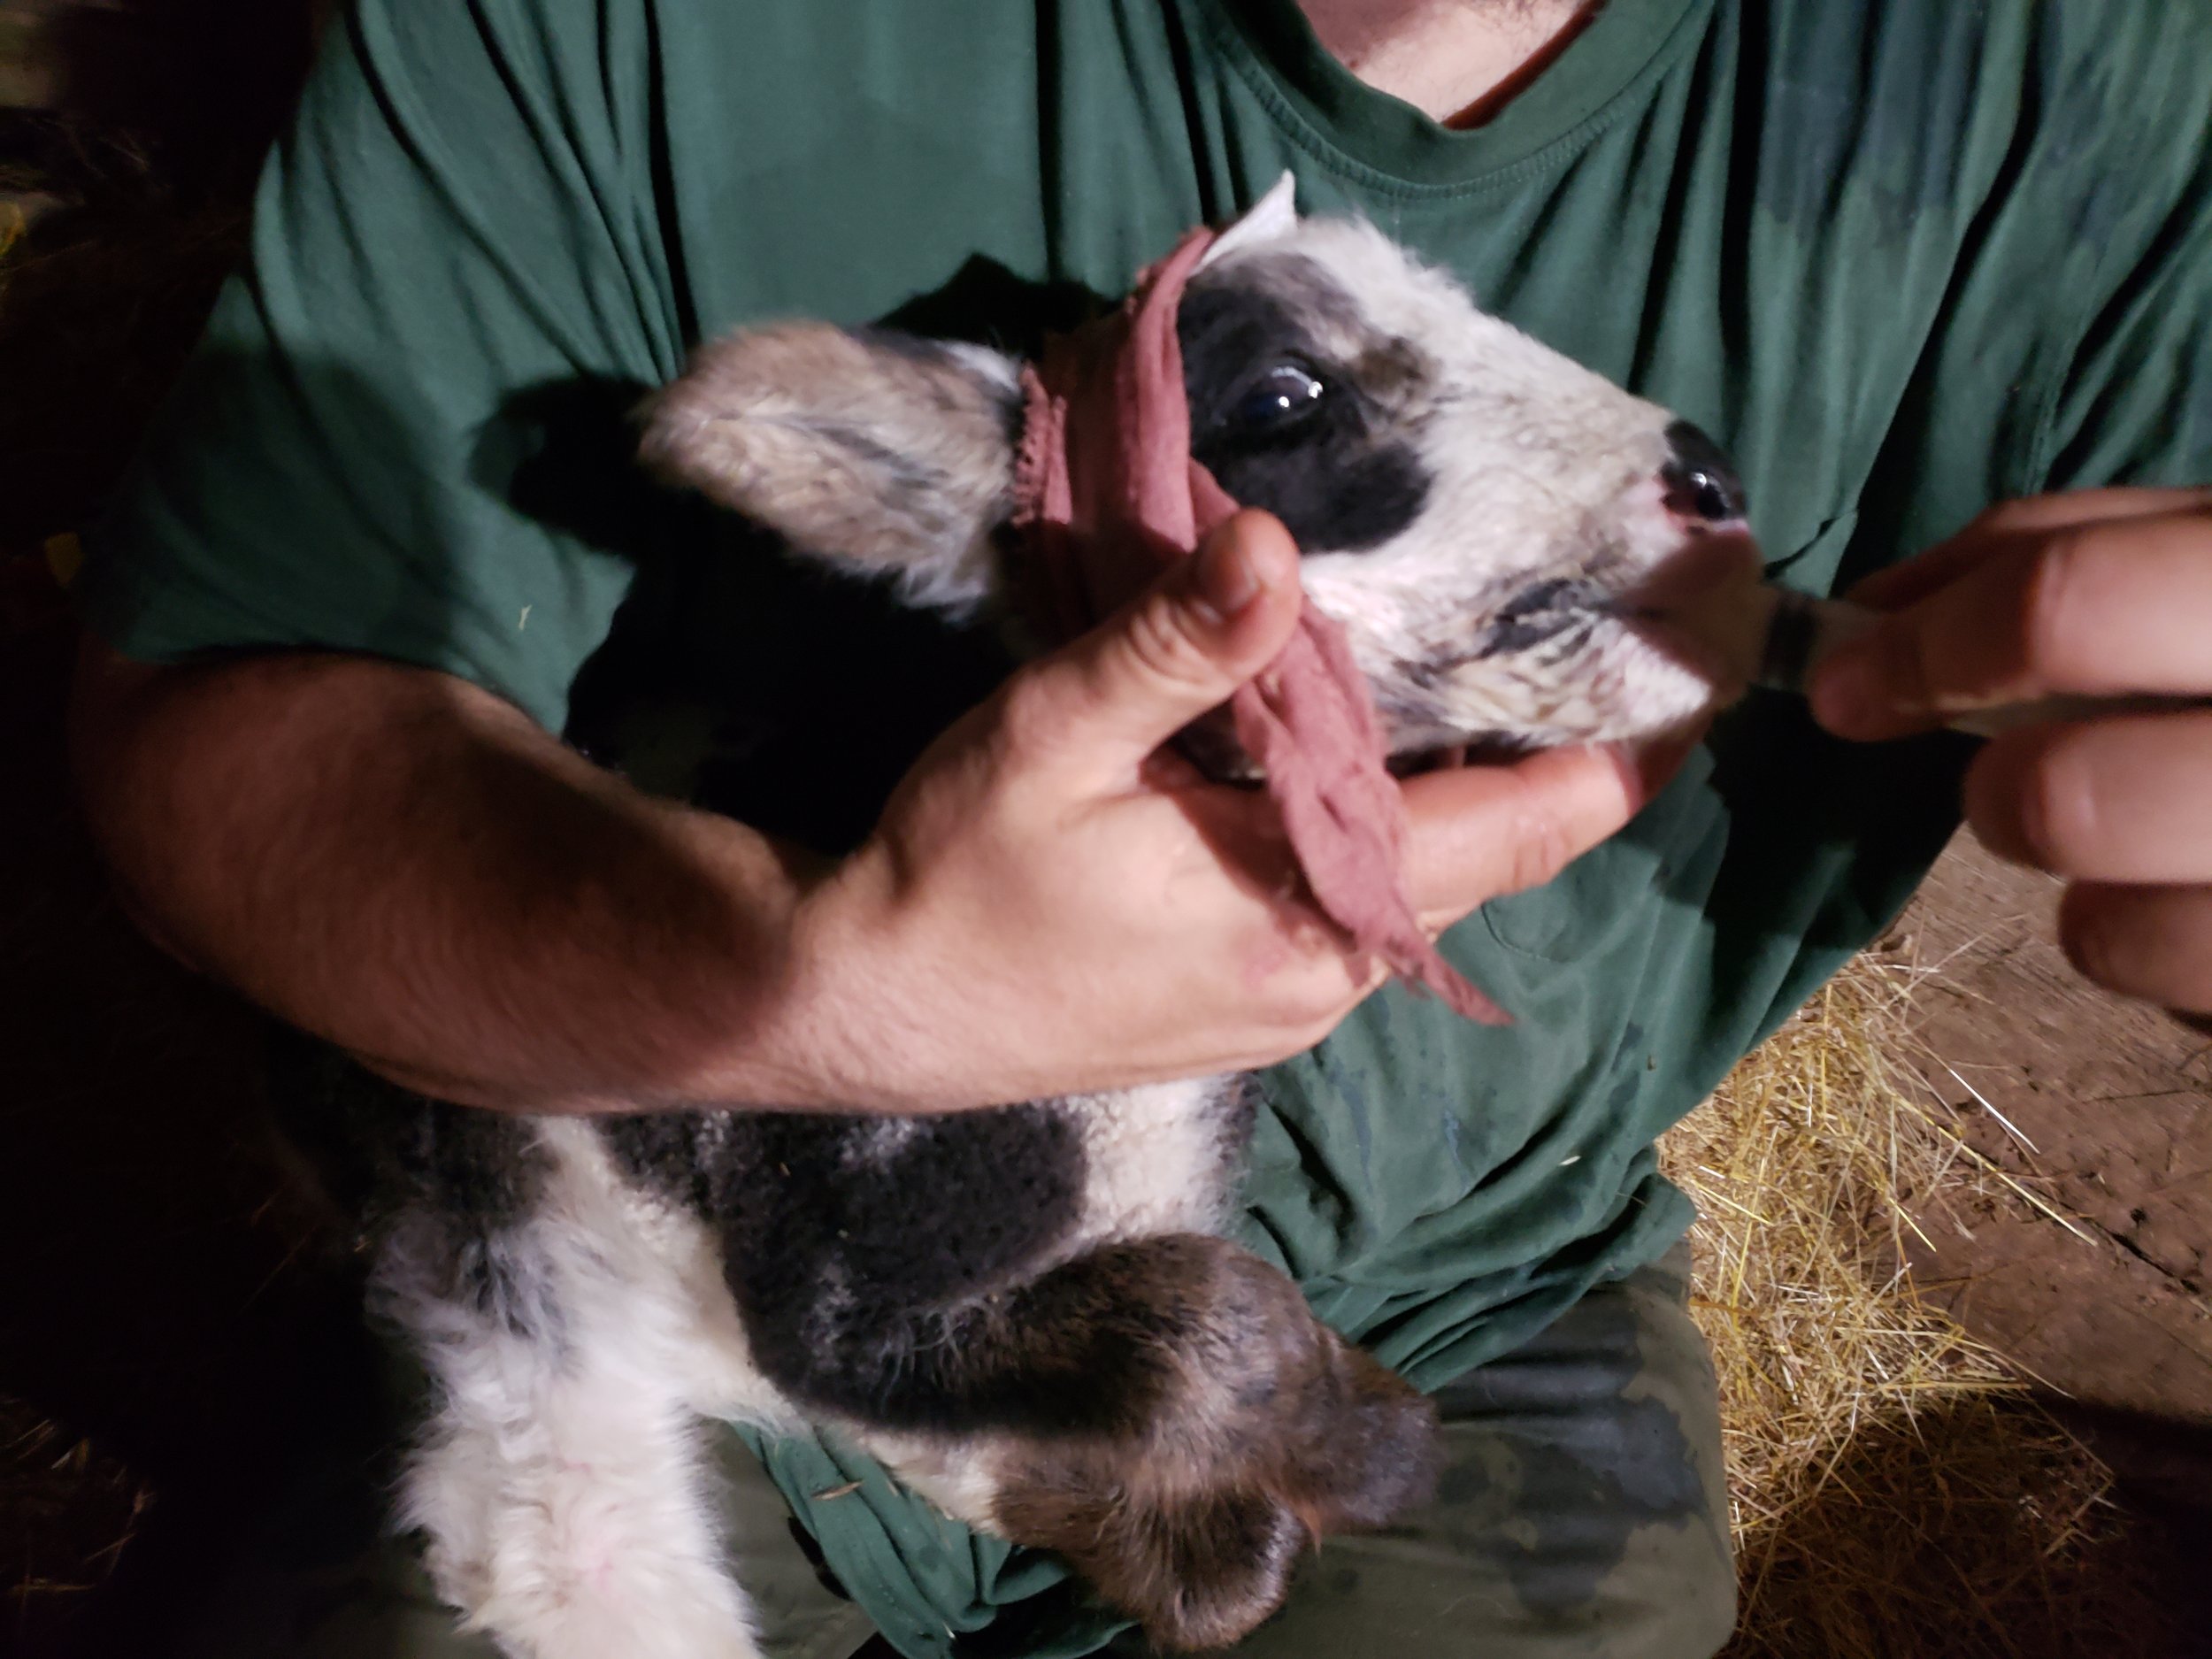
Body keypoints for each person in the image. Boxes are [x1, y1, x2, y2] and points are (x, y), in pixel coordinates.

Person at [65, 2, 2212, 1655]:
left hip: (1469, 1295)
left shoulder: (2090, 93)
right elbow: (224, 718)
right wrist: (822, 990)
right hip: (645, 1276)